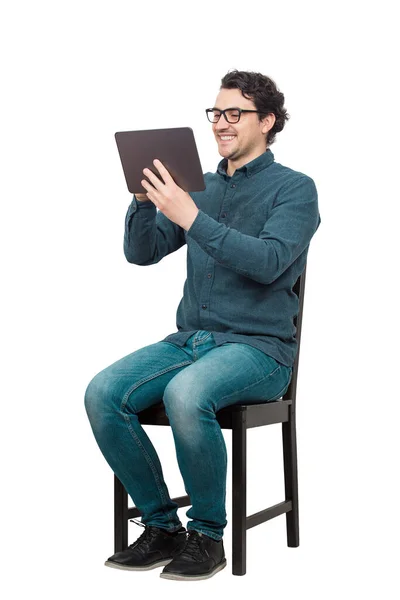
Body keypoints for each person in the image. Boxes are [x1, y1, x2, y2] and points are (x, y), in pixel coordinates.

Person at [84, 69, 321, 581]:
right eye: (215, 113)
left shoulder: (296, 189)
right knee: (103, 392)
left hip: (260, 350)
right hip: (190, 341)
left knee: (186, 395)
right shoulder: (199, 186)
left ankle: (208, 537)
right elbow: (141, 253)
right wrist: (144, 201)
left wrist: (192, 218)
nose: (221, 123)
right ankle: (162, 525)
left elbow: (269, 261)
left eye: (234, 113)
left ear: (268, 121)